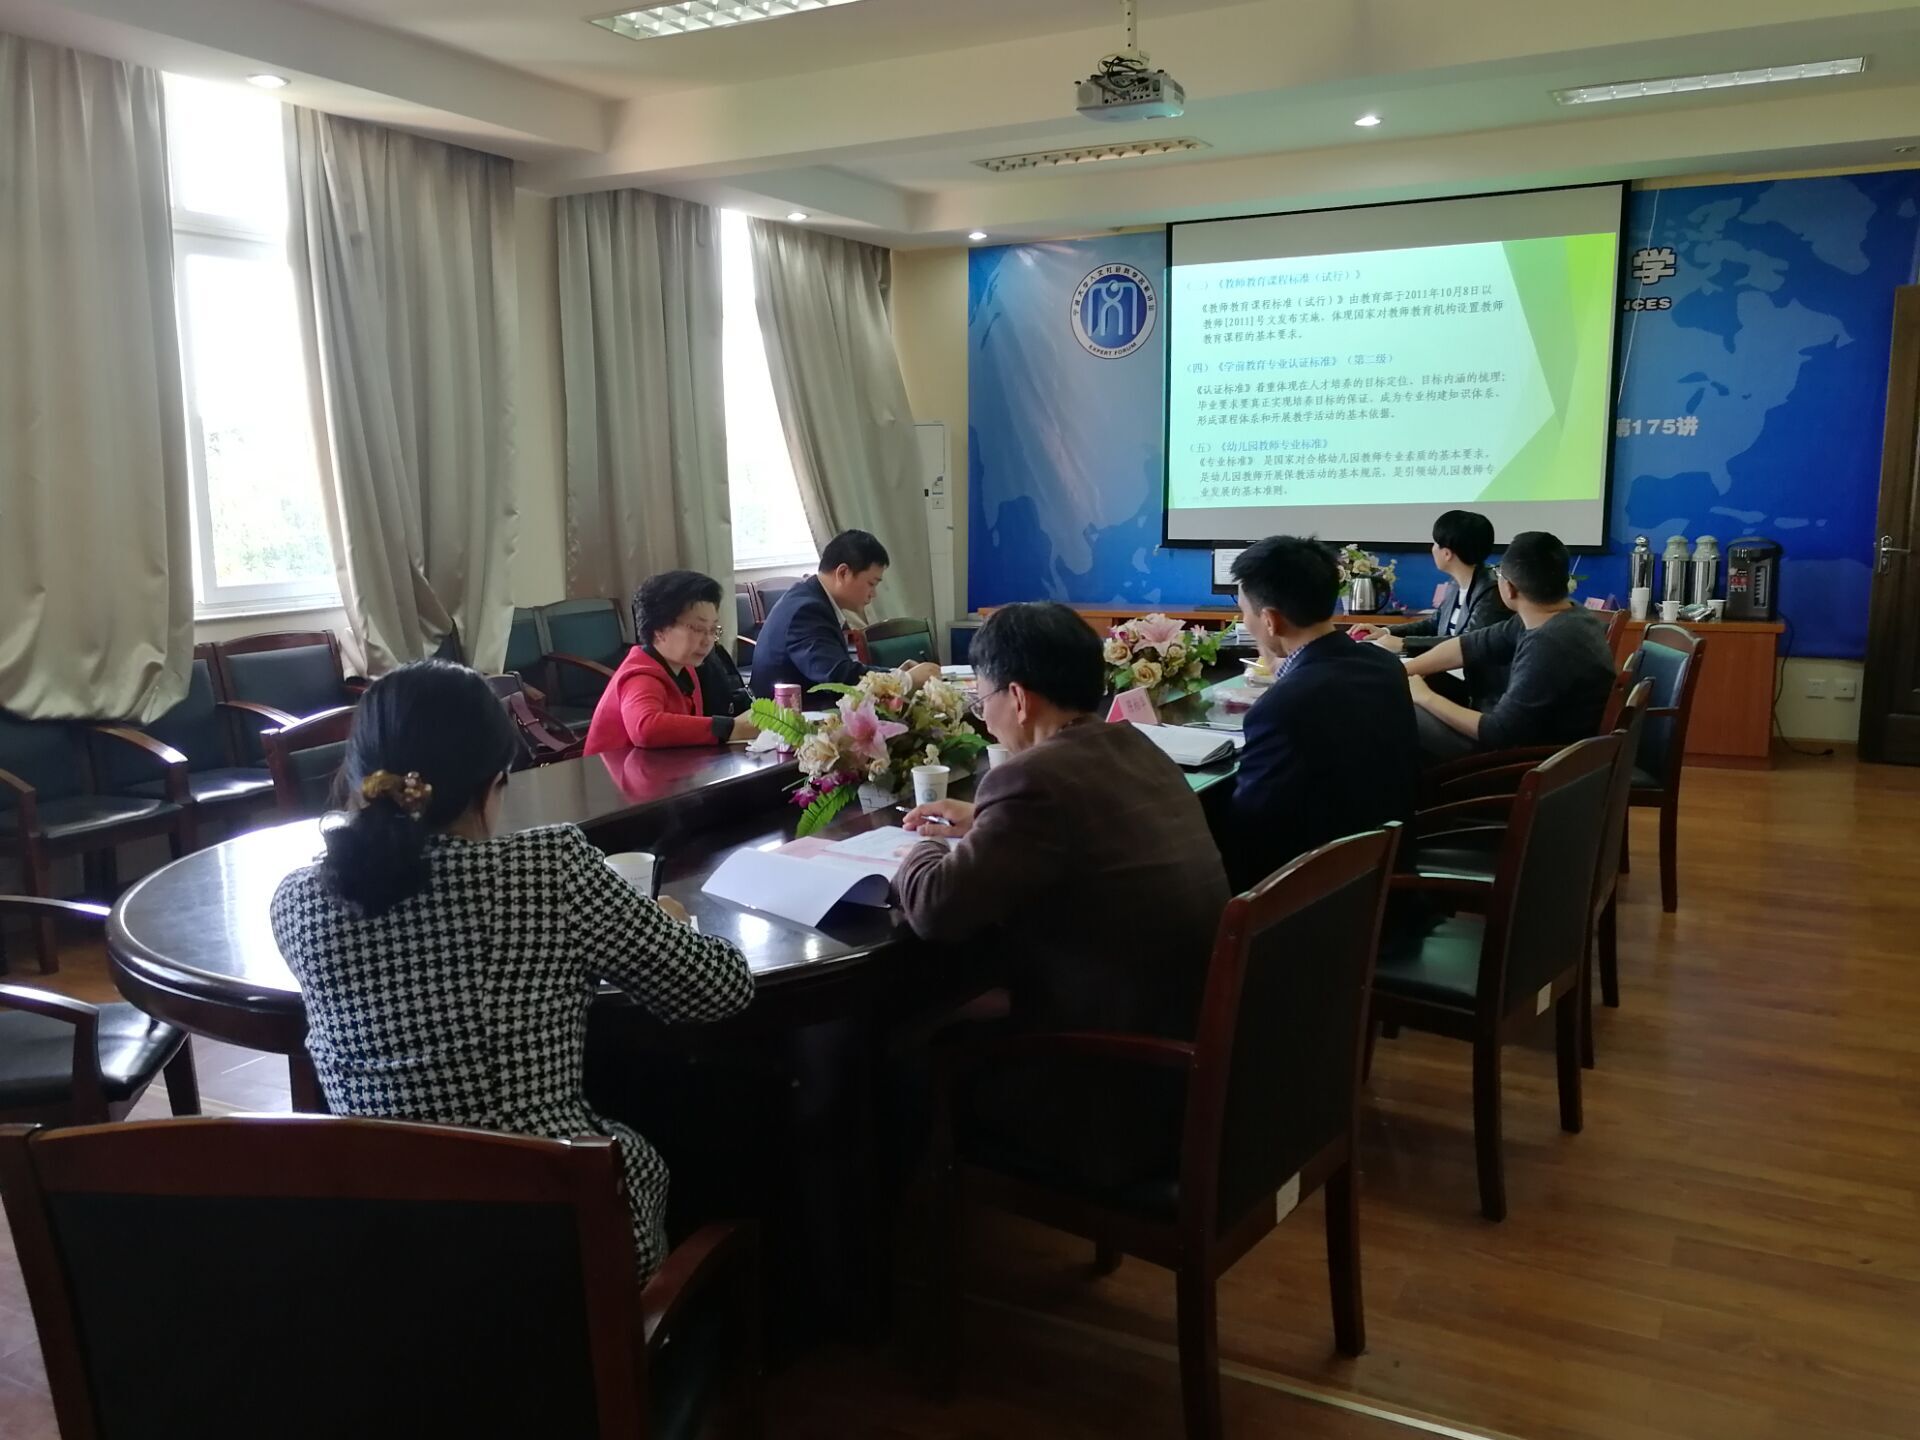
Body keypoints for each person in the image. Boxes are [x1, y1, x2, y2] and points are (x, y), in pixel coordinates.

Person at [269, 660, 755, 1278]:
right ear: (494, 782)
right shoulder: (546, 868)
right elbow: (719, 990)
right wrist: (674, 926)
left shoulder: (298, 901)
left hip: (389, 1260)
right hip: (562, 1252)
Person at [894, 602, 1230, 1193]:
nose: (985, 718)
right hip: (1183, 1058)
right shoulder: (1135, 747)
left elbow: (934, 909)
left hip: (1104, 1093)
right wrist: (984, 820)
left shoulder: (1032, 779)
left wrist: (918, 846)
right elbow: (1072, 826)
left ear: (1018, 699)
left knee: (899, 1031)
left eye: (983, 699)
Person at [1227, 536, 1419, 892]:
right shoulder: (1383, 665)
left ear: (1270, 620)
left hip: (1316, 895)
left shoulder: (1281, 708)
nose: (1244, 620)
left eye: (1244, 612)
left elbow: (1251, 827)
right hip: (1387, 870)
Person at [1404, 530, 1616, 762]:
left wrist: (1425, 697)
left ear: (1509, 588)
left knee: (1402, 715)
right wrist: (1403, 671)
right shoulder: (1563, 615)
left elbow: (1499, 733)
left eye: (1499, 574)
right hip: (1541, 747)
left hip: (1533, 762)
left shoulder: (1550, 644)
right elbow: (1469, 645)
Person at [749, 529, 940, 702]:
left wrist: (893, 673)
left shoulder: (810, 597)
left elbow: (840, 668)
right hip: (785, 722)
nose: (873, 594)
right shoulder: (806, 611)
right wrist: (905, 680)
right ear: (843, 573)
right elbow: (838, 677)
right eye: (871, 583)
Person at [583, 571, 759, 754]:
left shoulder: (688, 668)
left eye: (713, 629)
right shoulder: (641, 676)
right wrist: (730, 728)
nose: (708, 640)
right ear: (659, 630)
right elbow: (647, 729)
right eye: (698, 628)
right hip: (615, 771)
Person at [1350, 509, 1510, 656]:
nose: (1432, 549)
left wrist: (1405, 644)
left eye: (1435, 543)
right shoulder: (1456, 584)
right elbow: (1434, 624)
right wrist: (1386, 632)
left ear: (1447, 554)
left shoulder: (1491, 591)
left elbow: (1468, 643)